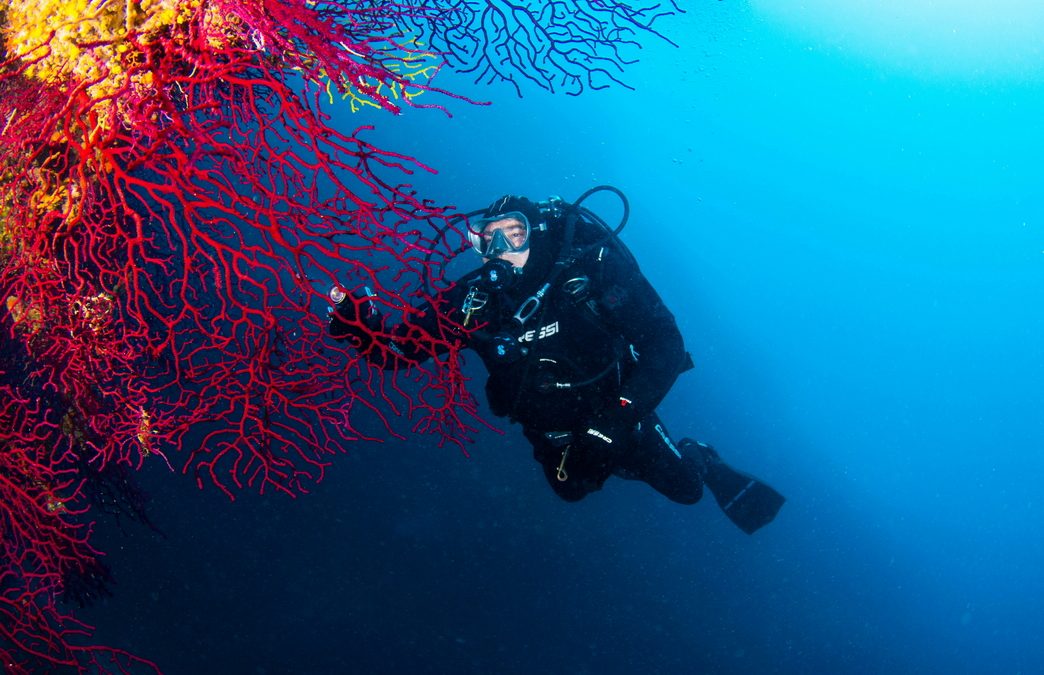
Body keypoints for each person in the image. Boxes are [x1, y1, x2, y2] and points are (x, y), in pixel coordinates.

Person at [329, 188, 784, 534]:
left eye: (515, 232)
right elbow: (399, 355)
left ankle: (699, 457)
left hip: (618, 411)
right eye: (488, 238)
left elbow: (665, 343)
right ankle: (612, 461)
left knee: (686, 490)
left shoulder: (589, 269)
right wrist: (359, 326)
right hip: (550, 428)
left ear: (538, 230)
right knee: (571, 491)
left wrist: (614, 422)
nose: (502, 247)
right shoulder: (474, 300)